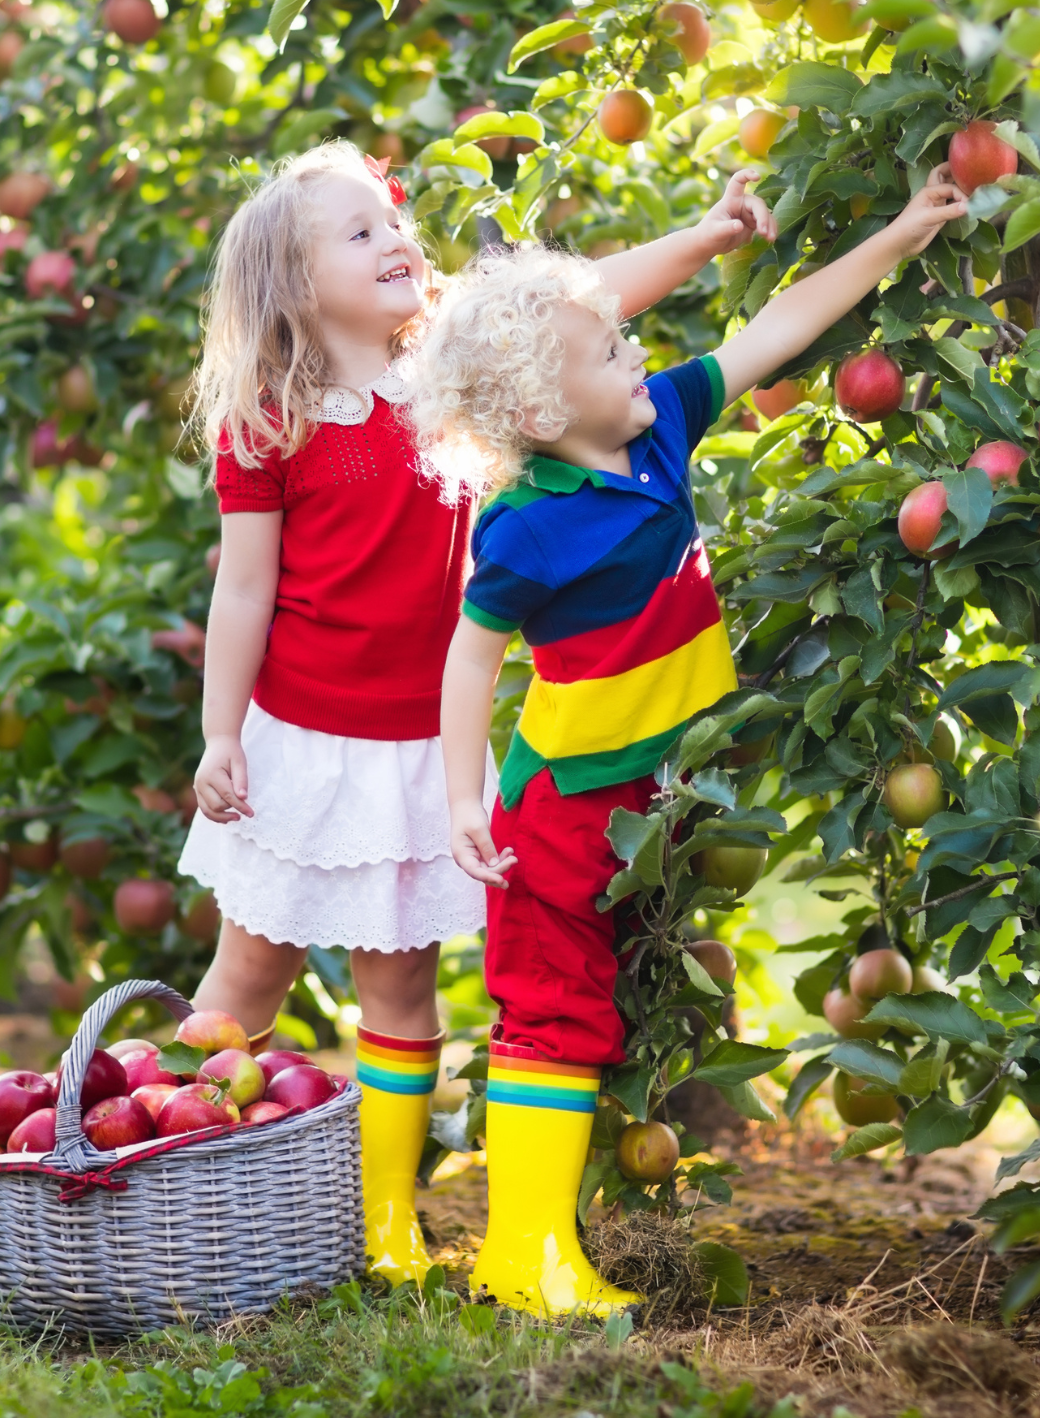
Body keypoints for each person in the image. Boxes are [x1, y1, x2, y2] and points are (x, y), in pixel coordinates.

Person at [176, 138, 778, 1287]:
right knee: (250, 967)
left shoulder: (446, 358)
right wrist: (220, 733)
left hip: (419, 744)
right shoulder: (271, 417)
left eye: (393, 220)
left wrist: (706, 237)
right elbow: (243, 589)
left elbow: (587, 299)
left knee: (402, 988)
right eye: (359, 231)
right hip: (301, 740)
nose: (396, 239)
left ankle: (384, 1220)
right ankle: (176, 1167)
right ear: (294, 281)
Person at [417, 163, 967, 1315]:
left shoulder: (662, 425)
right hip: (563, 806)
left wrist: (902, 235)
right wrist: (464, 801)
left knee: (609, 1003)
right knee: (552, 1011)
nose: (637, 355)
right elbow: (471, 660)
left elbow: (782, 325)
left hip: (657, 797)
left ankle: (545, 1243)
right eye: (609, 350)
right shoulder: (525, 529)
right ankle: (525, 1255)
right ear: (540, 416)